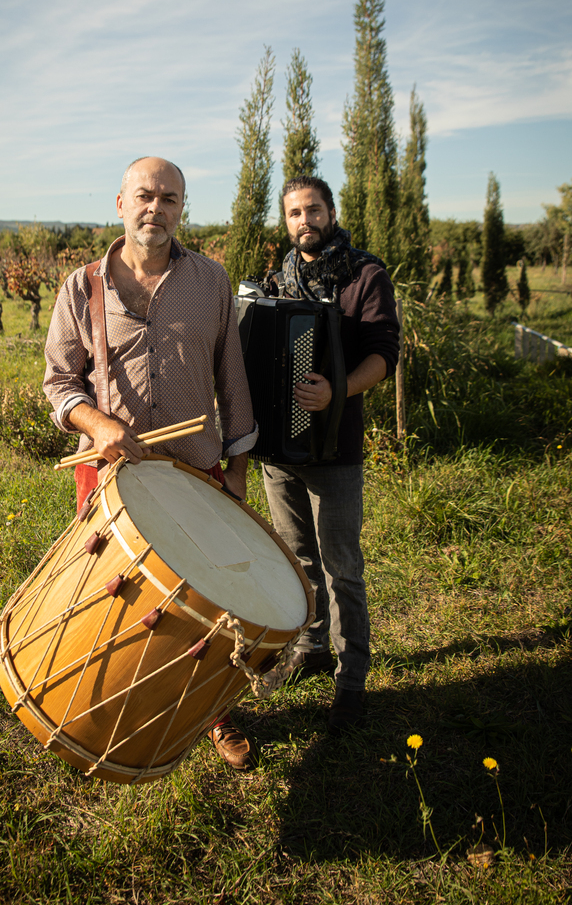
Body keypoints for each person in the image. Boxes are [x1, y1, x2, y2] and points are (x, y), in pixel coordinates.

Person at [43, 156, 259, 770]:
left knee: (205, 600)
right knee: (110, 596)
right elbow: (60, 385)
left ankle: (213, 714)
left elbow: (231, 380)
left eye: (169, 199)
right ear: (120, 203)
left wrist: (238, 471)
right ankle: (92, 700)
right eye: (144, 195)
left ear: (181, 209)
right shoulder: (81, 287)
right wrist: (98, 423)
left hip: (195, 469)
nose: (154, 209)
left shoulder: (211, 282)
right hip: (110, 475)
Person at [262, 174, 400, 735]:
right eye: (294, 213)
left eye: (313, 210)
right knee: (297, 561)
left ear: (331, 211)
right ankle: (312, 648)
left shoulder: (365, 275)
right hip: (279, 451)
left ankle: (352, 679)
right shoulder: (276, 279)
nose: (304, 221)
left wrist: (337, 390)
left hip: (336, 449)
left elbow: (384, 355)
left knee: (343, 566)